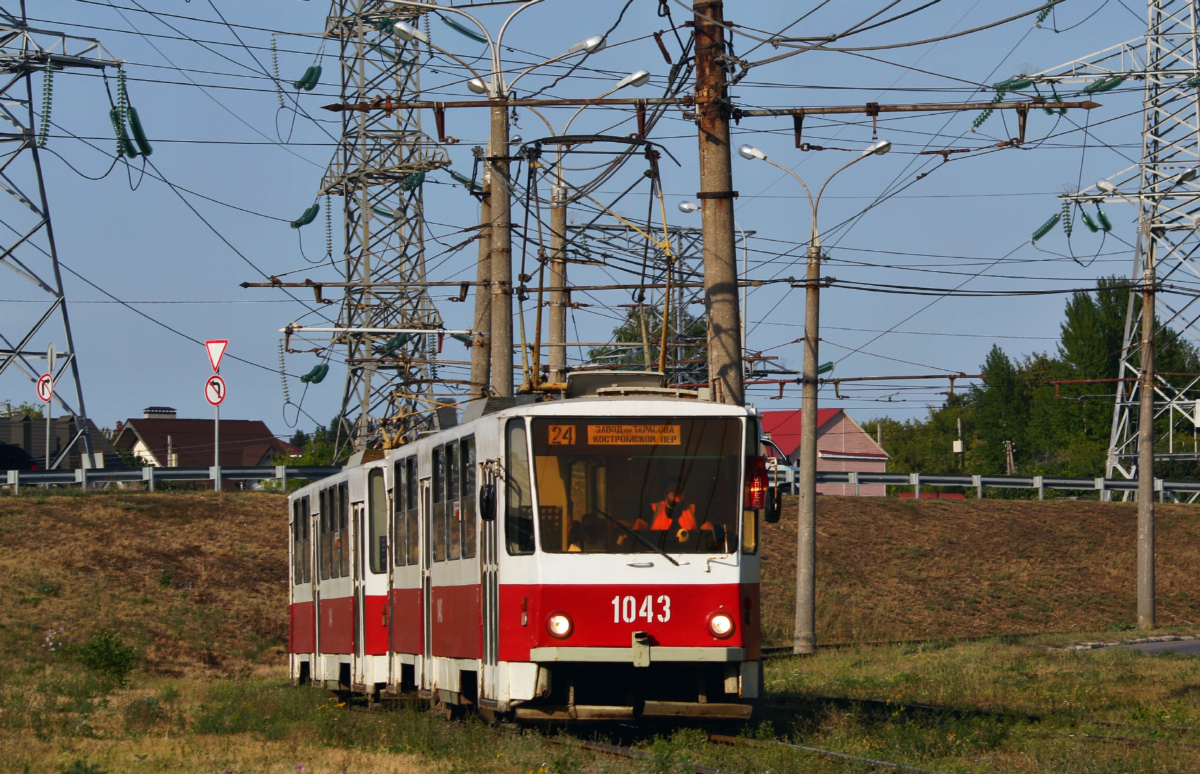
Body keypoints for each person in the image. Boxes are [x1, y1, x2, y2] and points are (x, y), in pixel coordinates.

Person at [632, 476, 711, 532]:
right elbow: (638, 528)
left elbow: (709, 531)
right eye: (673, 490)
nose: (677, 493)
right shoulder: (653, 508)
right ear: (665, 494)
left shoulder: (694, 509)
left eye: (680, 490)